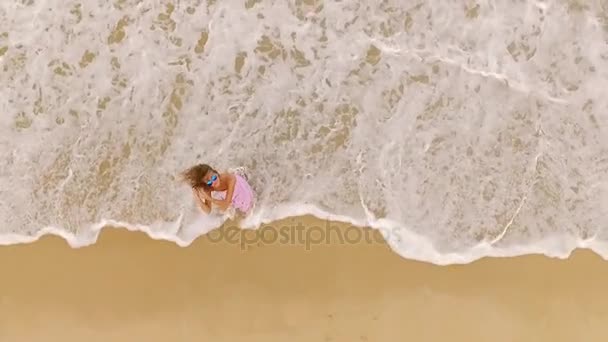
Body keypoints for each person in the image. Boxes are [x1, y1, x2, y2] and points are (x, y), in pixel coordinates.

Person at [181, 163, 255, 216]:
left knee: (250, 208)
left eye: (214, 177)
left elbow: (225, 205)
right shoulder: (208, 187)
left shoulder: (230, 178)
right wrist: (197, 198)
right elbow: (208, 211)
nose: (214, 182)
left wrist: (209, 198)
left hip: (242, 191)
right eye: (209, 182)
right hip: (234, 199)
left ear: (216, 172)